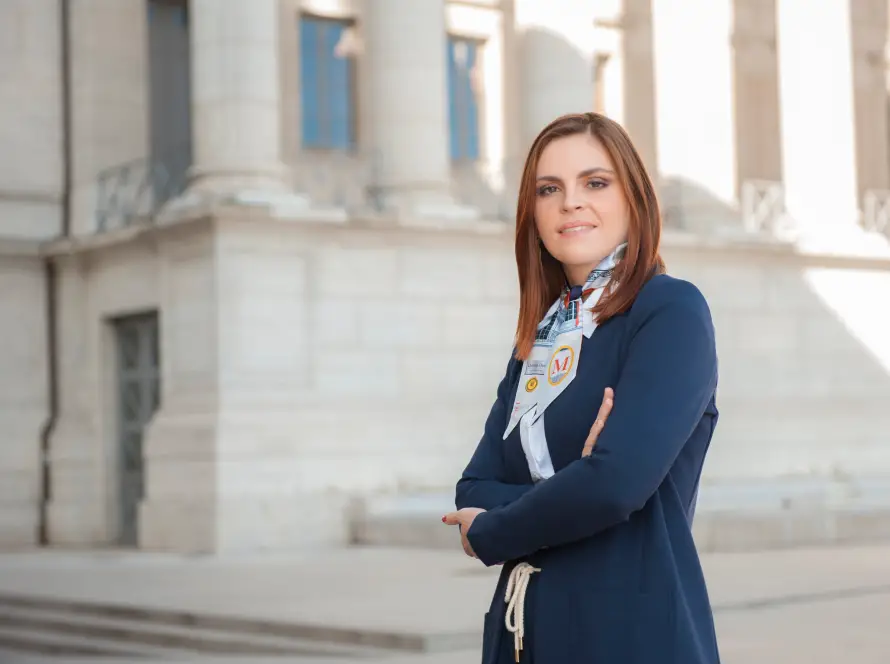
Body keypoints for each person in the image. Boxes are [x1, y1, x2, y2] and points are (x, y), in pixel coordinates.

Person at [442, 112, 720, 664]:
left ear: (633, 198)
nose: (570, 202)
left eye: (595, 182)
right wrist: (579, 483)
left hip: (629, 631)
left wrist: (497, 530)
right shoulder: (537, 342)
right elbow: (473, 488)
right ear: (533, 213)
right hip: (524, 635)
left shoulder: (669, 311)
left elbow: (617, 486)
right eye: (550, 189)